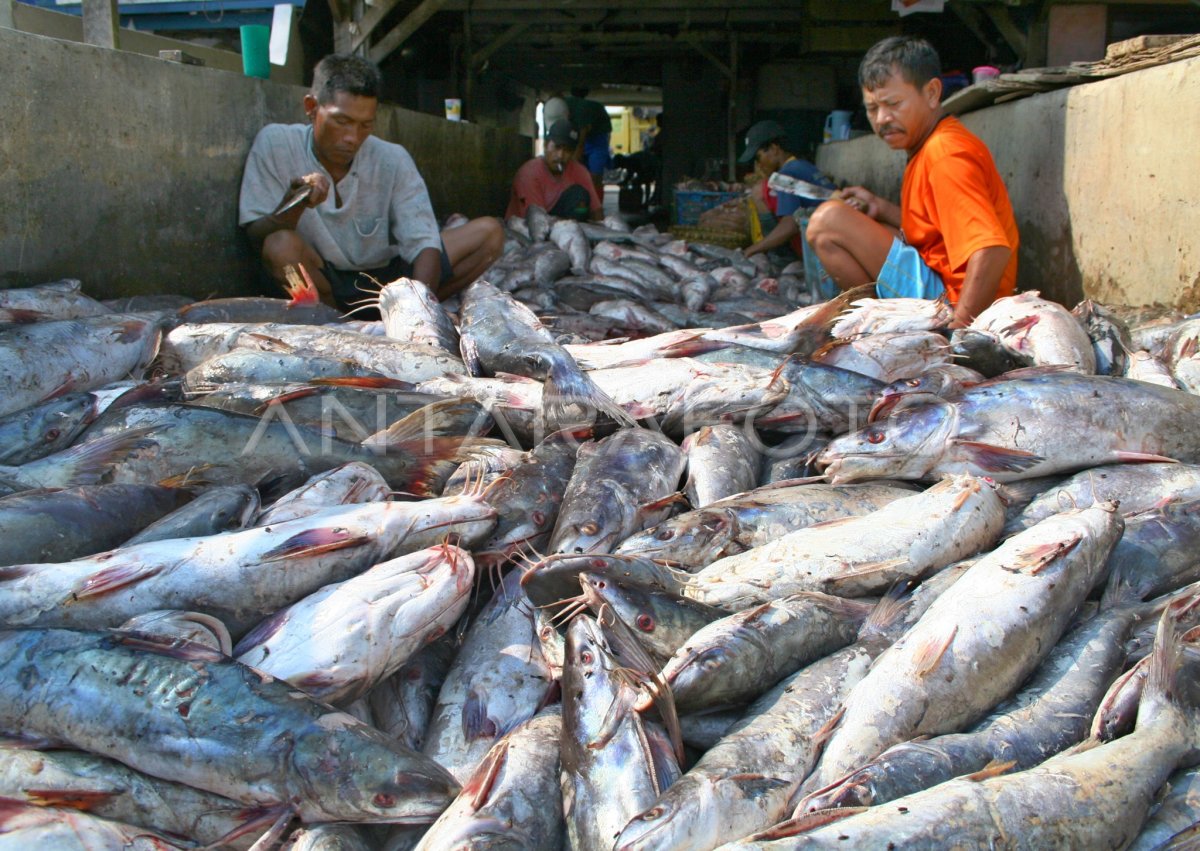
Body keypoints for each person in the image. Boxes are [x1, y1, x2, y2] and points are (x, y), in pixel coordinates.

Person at [239, 53, 504, 309]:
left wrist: (418, 308)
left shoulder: (392, 158)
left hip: (386, 281)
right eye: (342, 121)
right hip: (323, 280)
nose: (352, 137)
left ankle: (397, 315)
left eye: (365, 125)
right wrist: (295, 204)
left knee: (490, 233)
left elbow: (424, 243)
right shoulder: (276, 144)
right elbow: (254, 234)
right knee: (280, 247)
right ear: (311, 107)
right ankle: (333, 324)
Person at [805, 36, 1018, 328]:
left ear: (931, 93)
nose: (882, 119)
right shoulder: (928, 146)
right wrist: (878, 207)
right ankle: (878, 323)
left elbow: (992, 250)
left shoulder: (944, 153)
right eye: (872, 109)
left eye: (893, 104)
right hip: (942, 283)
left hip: (955, 302)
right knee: (859, 222)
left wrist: (959, 334)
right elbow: (932, 229)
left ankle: (878, 329)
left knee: (826, 222)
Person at [740, 120, 835, 261]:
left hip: (830, 245)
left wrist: (752, 249)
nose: (758, 165)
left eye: (758, 157)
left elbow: (789, 226)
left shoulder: (786, 174)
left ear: (774, 149)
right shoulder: (801, 165)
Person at [507, 119, 602, 222]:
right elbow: (536, 219)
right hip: (526, 227)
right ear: (545, 145)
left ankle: (573, 231)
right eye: (557, 147)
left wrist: (603, 230)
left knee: (579, 197)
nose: (560, 155)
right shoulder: (529, 173)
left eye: (567, 150)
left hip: (562, 225)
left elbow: (596, 210)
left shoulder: (579, 171)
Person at [564, 86, 612, 199]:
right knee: (580, 175)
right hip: (588, 138)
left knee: (595, 176)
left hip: (597, 140)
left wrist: (577, 153)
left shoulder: (583, 109)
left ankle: (596, 207)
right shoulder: (565, 105)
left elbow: (583, 132)